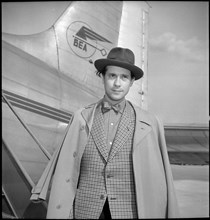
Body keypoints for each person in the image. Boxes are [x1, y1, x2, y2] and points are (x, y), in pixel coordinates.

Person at [31, 47, 179, 219]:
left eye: (124, 77)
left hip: (130, 212)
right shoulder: (81, 117)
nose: (117, 83)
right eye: (112, 76)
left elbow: (162, 178)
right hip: (85, 211)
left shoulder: (150, 123)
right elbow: (65, 168)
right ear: (102, 77)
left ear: (132, 81)